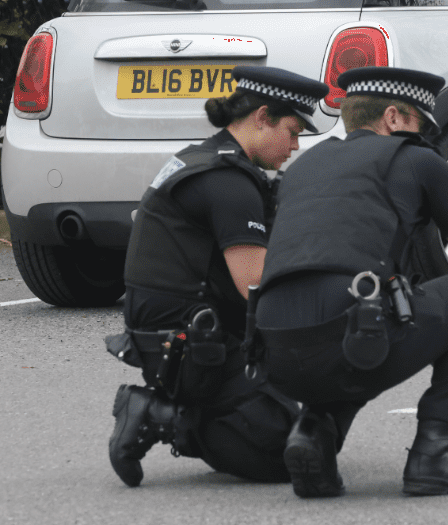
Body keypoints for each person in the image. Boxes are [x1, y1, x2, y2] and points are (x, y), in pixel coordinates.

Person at [253, 67, 448, 498]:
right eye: (420, 126)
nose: (424, 142)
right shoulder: (415, 160)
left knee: (351, 314)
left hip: (273, 355)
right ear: (394, 118)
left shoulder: (302, 166)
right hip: (351, 342)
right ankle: (434, 451)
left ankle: (314, 432)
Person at [106, 65, 329, 487]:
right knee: (290, 453)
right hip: (189, 344)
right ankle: (160, 416)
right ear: (262, 117)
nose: (296, 146)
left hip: (175, 331)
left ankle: (192, 410)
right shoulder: (230, 183)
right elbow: (255, 288)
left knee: (307, 436)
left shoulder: (203, 158)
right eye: (293, 130)